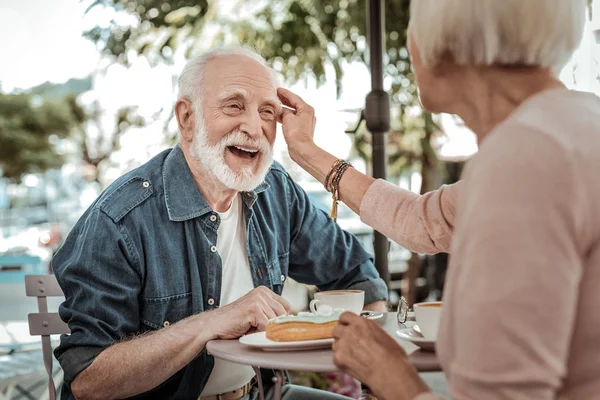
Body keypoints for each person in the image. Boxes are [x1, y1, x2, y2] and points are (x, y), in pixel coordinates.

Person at [278, 0, 600, 398]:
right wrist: (306, 150)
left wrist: (392, 375)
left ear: (447, 44)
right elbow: (421, 222)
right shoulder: (574, 128)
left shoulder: (524, 158)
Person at [51, 47, 389, 400]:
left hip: (264, 393)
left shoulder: (275, 189)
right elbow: (89, 380)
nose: (254, 128)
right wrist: (211, 324)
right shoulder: (120, 218)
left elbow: (355, 271)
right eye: (234, 106)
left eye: (267, 112)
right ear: (186, 118)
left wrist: (373, 367)